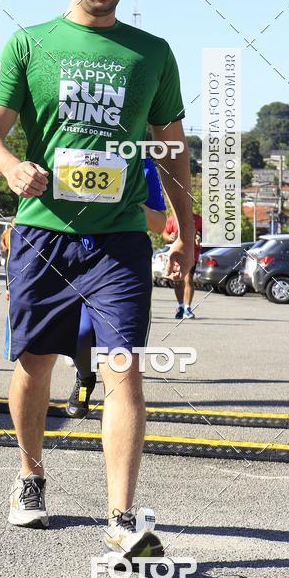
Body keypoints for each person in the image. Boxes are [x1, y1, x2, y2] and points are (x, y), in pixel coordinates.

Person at [0, 0, 195, 560]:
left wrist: (186, 232)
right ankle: (30, 475)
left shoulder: (152, 53)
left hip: (119, 240)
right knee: (34, 363)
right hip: (42, 235)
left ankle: (122, 518)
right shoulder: (30, 43)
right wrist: (11, 167)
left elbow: (173, 151)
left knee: (124, 369)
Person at [66, 155, 167, 417]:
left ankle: (118, 404)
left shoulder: (142, 163)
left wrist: (129, 200)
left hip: (119, 263)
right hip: (73, 258)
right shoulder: (75, 152)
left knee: (121, 354)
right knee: (80, 334)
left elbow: (159, 223)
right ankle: (84, 380)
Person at [162, 211, 203, 319]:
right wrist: (169, 237)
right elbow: (165, 233)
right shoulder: (172, 219)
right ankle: (181, 306)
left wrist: (199, 237)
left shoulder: (198, 219)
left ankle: (187, 308)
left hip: (192, 253)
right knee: (178, 280)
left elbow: (203, 233)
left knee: (188, 278)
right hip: (176, 253)